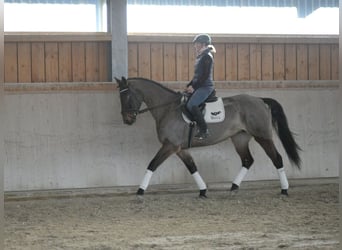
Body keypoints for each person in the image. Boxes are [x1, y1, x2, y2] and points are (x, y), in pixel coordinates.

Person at [186, 34, 216, 140]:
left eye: (197, 44)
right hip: (199, 85)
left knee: (191, 104)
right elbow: (197, 75)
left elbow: (205, 75)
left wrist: (194, 87)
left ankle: (204, 130)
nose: (195, 46)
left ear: (203, 44)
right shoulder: (200, 56)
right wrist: (190, 84)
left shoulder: (207, 56)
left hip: (205, 87)